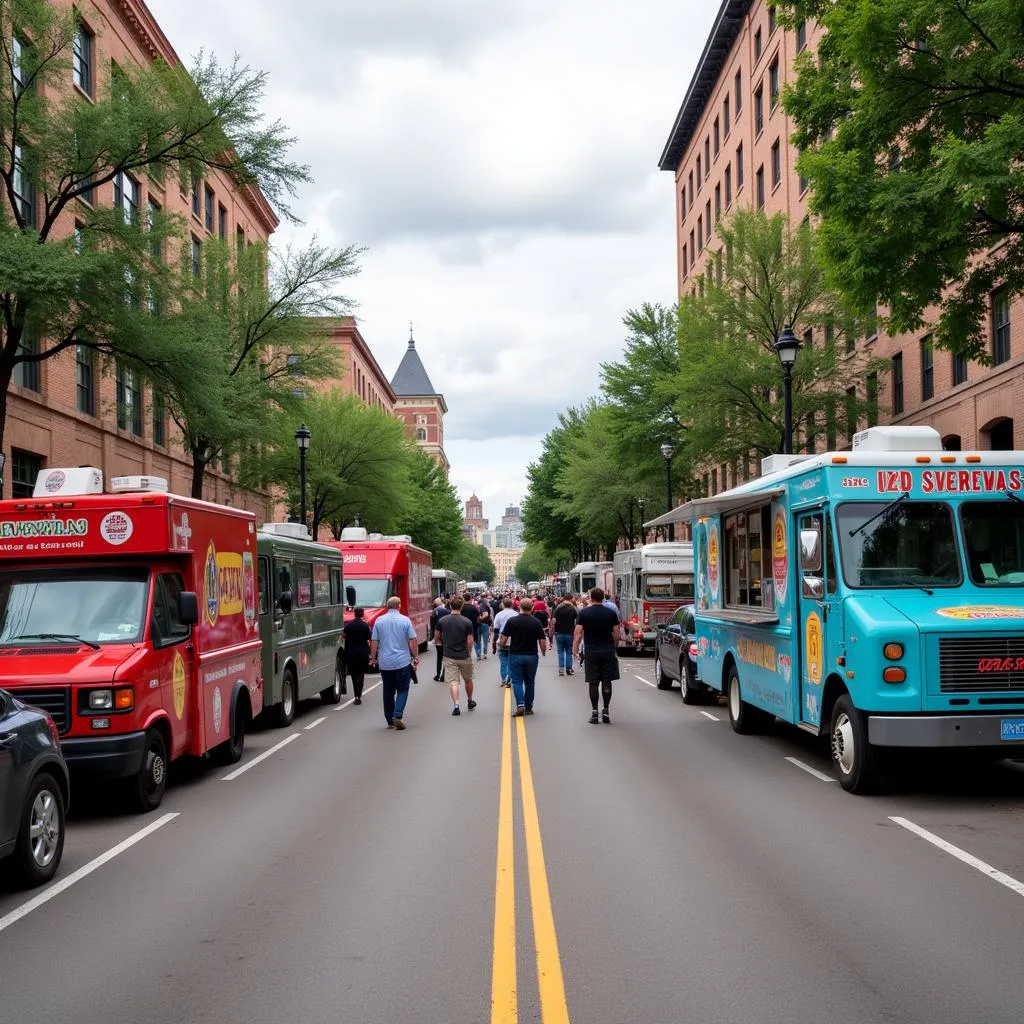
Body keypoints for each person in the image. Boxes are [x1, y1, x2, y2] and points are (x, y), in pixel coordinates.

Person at [369, 596, 419, 730]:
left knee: (388, 690)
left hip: (385, 662)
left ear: (387, 607)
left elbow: (374, 641)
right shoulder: (405, 620)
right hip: (402, 661)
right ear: (399, 606)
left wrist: (373, 657)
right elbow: (413, 640)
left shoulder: (379, 621)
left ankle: (389, 718)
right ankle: (398, 714)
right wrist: (415, 656)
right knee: (403, 689)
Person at [573, 587, 620, 725]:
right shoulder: (611, 613)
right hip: (607, 650)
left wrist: (575, 649)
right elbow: (617, 633)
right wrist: (614, 646)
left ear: (591, 598)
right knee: (607, 680)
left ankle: (594, 712)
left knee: (593, 682)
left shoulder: (584, 613)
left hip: (591, 650)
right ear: (603, 597)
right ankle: (605, 710)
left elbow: (578, 633)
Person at [498, 597, 548, 717]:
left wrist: (502, 646)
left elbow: (503, 639)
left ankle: (520, 705)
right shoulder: (536, 622)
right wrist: (543, 652)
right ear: (532, 608)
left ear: (519, 606)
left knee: (517, 681)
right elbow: (542, 640)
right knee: (530, 682)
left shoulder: (512, 621)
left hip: (515, 654)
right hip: (531, 655)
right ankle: (529, 707)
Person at [436, 596, 476, 716]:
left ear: (450, 606)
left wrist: (442, 643)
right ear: (461, 606)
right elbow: (470, 641)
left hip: (449, 655)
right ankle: (469, 700)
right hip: (464, 655)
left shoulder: (442, 621)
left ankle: (456, 705)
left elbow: (437, 638)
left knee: (453, 682)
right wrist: (468, 652)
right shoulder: (467, 622)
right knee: (468, 680)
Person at [342, 606, 371, 704]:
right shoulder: (365, 626)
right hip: (362, 653)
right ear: (362, 614)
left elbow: (343, 636)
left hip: (351, 654)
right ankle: (359, 694)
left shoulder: (348, 626)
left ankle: (356, 696)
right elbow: (369, 638)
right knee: (361, 675)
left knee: (354, 676)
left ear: (354, 613)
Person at [551, 594, 578, 677]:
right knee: (569, 652)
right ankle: (569, 669)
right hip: (569, 632)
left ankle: (561, 669)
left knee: (560, 651)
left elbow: (553, 621)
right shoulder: (573, 608)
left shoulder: (558, 607)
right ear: (570, 599)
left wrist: (552, 631)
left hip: (559, 632)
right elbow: (577, 621)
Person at [492, 597, 516, 687]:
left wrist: (494, 642)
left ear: (502, 604)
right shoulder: (516, 614)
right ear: (512, 604)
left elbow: (496, 630)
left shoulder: (499, 615)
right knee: (511, 661)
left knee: (503, 662)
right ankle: (509, 678)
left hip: (501, 639)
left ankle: (504, 680)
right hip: (513, 641)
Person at [429, 597, 450, 681]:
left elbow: (433, 626)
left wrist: (433, 638)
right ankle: (443, 675)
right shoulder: (447, 611)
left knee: (439, 657)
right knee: (446, 657)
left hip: (438, 637)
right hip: (446, 636)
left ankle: (438, 674)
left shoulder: (434, 612)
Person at [460, 592, 481, 660]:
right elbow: (478, 618)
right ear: (471, 599)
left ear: (464, 599)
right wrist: (477, 624)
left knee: (464, 642)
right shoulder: (474, 608)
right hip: (473, 628)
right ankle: (478, 655)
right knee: (475, 641)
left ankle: (464, 655)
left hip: (462, 628)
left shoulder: (461, 608)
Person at [476, 596, 491, 660]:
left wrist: (480, 618)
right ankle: (485, 654)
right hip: (485, 624)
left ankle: (479, 655)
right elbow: (488, 615)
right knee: (485, 640)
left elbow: (486, 614)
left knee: (478, 641)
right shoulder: (486, 606)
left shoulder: (482, 606)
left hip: (480, 624)